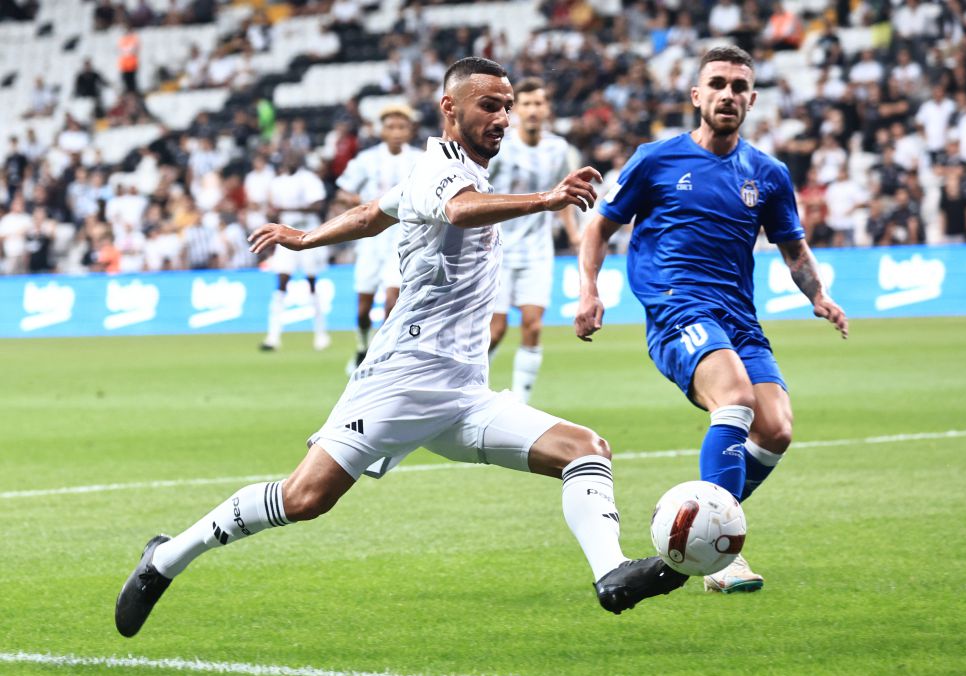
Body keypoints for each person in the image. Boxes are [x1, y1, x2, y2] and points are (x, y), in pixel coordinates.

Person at [114, 57, 688, 639]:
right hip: (402, 378)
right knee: (305, 497)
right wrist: (545, 200)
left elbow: (372, 213)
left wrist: (305, 237)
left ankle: (611, 572)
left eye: (508, 106)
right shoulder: (438, 168)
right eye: (490, 105)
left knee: (586, 449)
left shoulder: (458, 172)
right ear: (450, 108)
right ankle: (165, 559)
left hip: (464, 391)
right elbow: (458, 210)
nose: (503, 117)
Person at [575, 46, 848, 594]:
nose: (728, 94)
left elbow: (793, 249)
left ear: (751, 99)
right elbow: (599, 227)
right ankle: (718, 557)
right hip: (678, 307)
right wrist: (589, 290)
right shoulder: (656, 159)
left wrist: (819, 295)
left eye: (739, 86)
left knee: (776, 429)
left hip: (738, 316)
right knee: (737, 400)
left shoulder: (767, 173)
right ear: (697, 96)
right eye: (717, 84)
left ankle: (690, 530)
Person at [484, 77, 581, 404]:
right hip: (497, 249)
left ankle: (520, 404)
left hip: (538, 250)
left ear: (547, 108)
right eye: (526, 104)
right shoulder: (500, 146)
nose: (533, 110)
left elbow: (561, 196)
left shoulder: (558, 148)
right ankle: (469, 391)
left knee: (533, 325)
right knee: (495, 331)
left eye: (539, 103)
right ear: (515, 110)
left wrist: (574, 234)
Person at [333, 103, 423, 372]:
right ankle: (362, 347)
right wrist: (356, 199)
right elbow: (341, 192)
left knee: (392, 302)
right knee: (363, 307)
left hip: (403, 238)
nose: (396, 132)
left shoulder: (421, 159)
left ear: (410, 131)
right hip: (371, 240)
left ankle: (380, 357)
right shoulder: (366, 160)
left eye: (402, 127)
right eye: (391, 127)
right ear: (381, 130)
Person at [260, 152, 329, 351]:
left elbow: (318, 205)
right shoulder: (276, 182)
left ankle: (320, 334)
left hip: (308, 234)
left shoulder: (309, 179)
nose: (289, 160)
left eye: (292, 157)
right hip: (284, 236)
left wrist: (287, 209)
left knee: (312, 283)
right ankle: (273, 337)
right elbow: (272, 208)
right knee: (281, 282)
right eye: (286, 157)